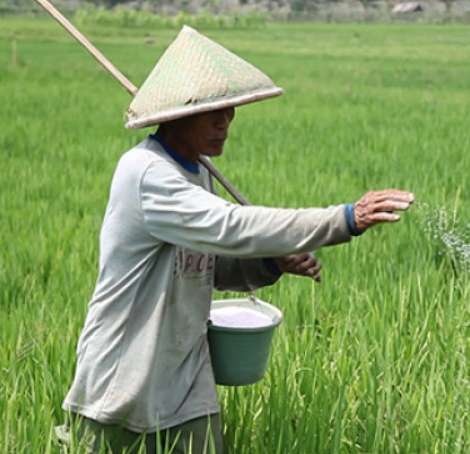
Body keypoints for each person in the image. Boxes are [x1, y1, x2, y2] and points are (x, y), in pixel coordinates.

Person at [56, 26, 414, 454]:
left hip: (186, 378)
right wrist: (344, 219)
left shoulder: (197, 170)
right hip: (125, 381)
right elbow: (233, 227)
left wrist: (270, 264)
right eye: (213, 110)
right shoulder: (147, 174)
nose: (225, 121)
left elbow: (204, 263)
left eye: (229, 109)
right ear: (175, 114)